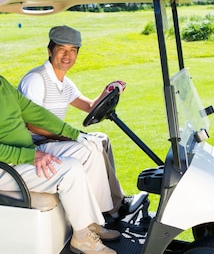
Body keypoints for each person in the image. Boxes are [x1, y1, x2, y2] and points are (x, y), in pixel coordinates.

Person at [0, 26, 119, 254]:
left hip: (24, 153)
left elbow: (33, 112)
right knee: (71, 170)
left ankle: (91, 222)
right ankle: (82, 237)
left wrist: (75, 134)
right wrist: (31, 157)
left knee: (90, 149)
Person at [18, 25, 130, 223]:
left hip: (52, 140)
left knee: (102, 139)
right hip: (35, 146)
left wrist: (108, 92)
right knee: (91, 148)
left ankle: (116, 200)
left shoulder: (64, 82)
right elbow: (32, 126)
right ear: (50, 50)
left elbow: (88, 106)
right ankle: (101, 213)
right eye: (62, 49)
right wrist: (69, 136)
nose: (67, 55)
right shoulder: (36, 80)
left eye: (73, 50)